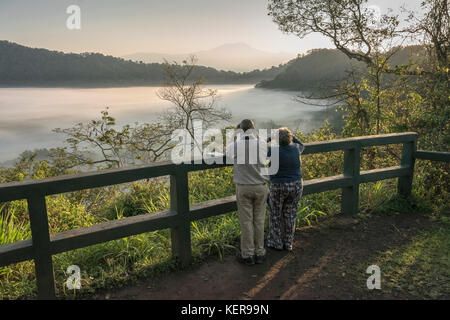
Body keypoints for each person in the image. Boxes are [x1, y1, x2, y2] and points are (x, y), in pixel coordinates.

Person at [226, 119, 268, 265]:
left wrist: (234, 137)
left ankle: (248, 255)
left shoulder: (236, 146)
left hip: (244, 187)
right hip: (261, 186)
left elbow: (228, 154)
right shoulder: (262, 143)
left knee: (246, 221)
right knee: (259, 220)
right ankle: (260, 253)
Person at [266, 127, 304, 252]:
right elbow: (301, 144)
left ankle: (275, 242)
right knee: (290, 214)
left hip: (278, 186)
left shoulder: (272, 150)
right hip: (296, 185)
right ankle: (288, 243)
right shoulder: (296, 149)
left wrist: (269, 139)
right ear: (290, 138)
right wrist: (292, 136)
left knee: (275, 214)